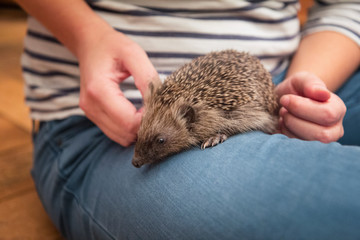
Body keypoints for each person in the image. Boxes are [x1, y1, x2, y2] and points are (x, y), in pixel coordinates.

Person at [15, 0, 360, 239]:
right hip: (93, 125)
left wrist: (304, 95)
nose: (141, 160)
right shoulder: (175, 121)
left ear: (193, 122)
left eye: (158, 142)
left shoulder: (206, 116)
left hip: (292, 76)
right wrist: (90, 38)